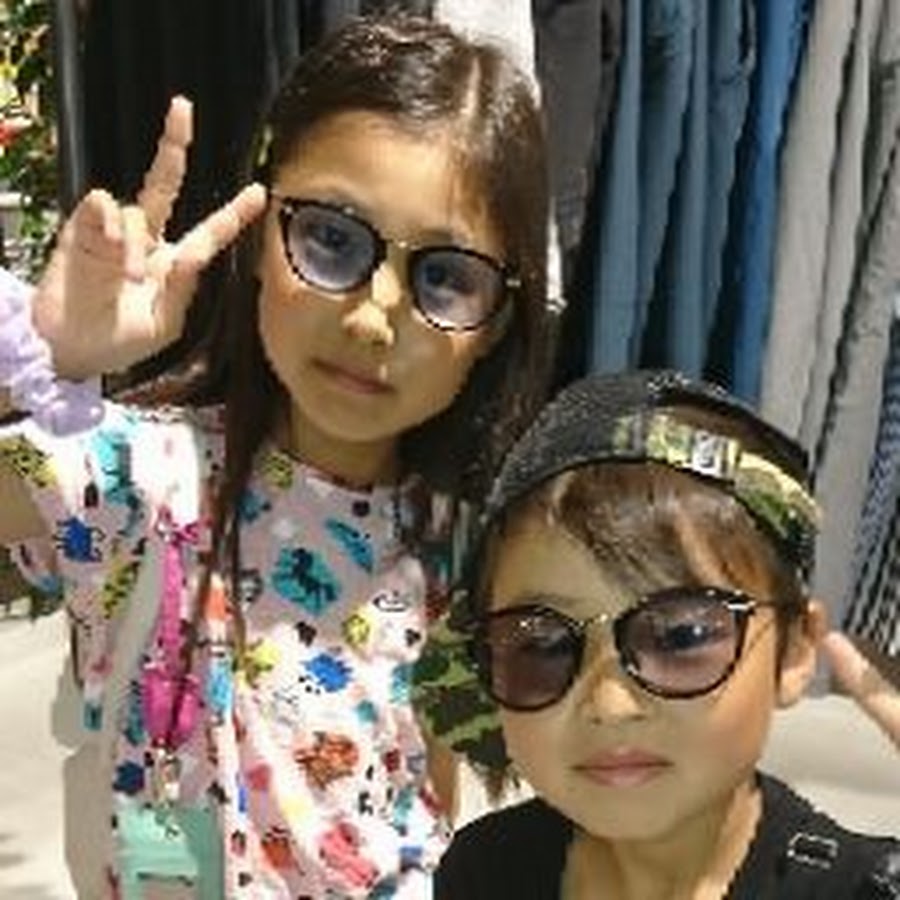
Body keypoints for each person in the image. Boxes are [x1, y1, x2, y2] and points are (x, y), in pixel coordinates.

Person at [0, 14, 554, 897]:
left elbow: (435, 790)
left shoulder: (473, 545)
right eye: (332, 238)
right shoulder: (144, 477)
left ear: (494, 326)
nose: (373, 318)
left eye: (446, 276)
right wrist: (44, 366)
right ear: (261, 235)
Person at [433, 369, 900, 899]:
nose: (610, 706)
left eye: (682, 637)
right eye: (541, 646)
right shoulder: (487, 867)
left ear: (794, 650)